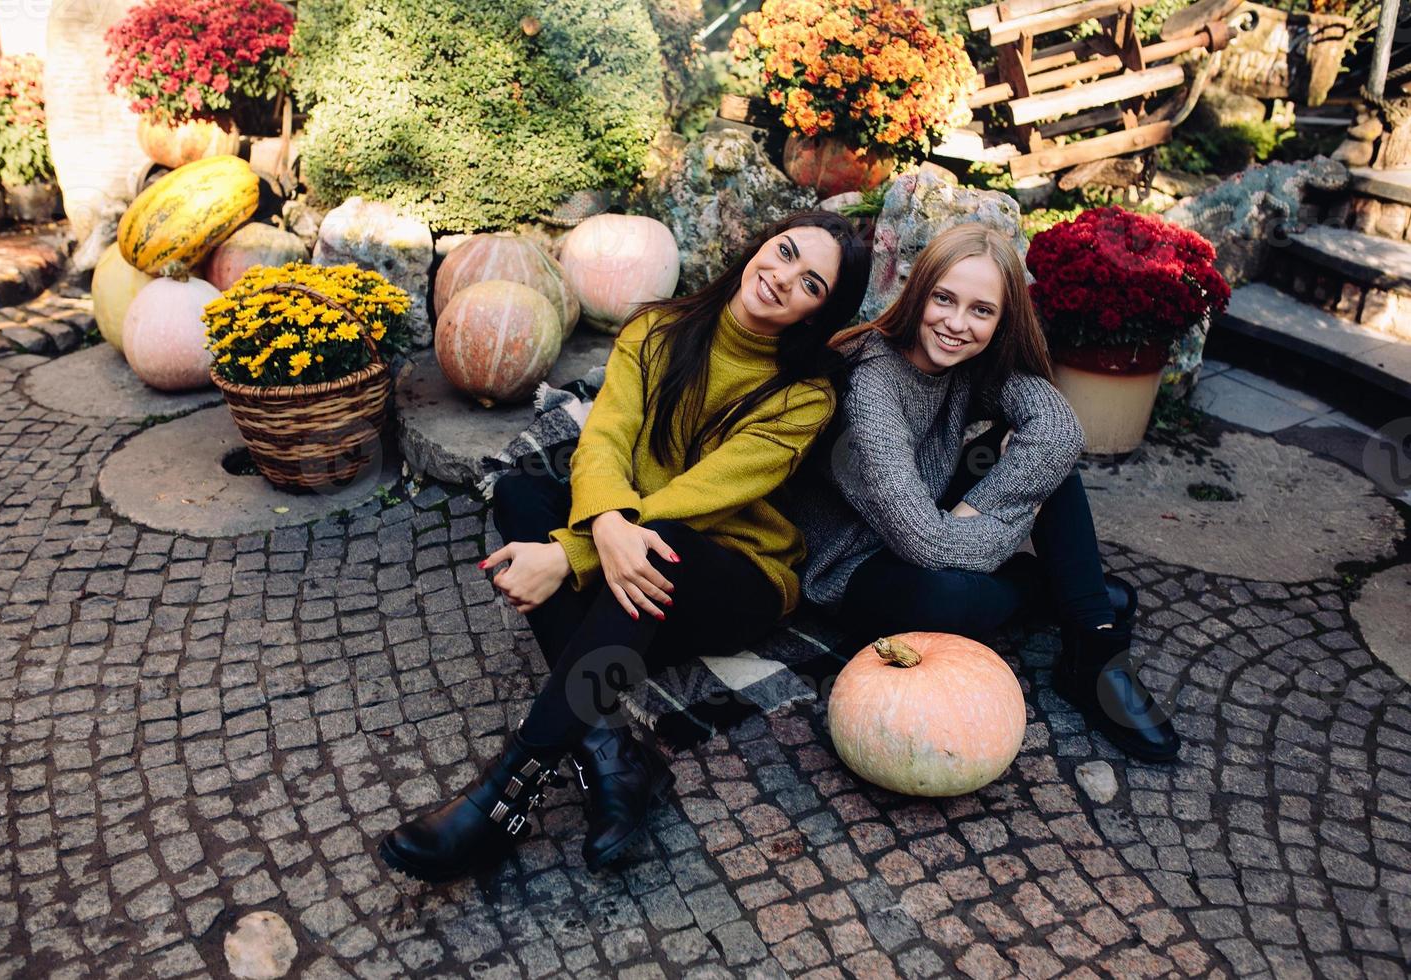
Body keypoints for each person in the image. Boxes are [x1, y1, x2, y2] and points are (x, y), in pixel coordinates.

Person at [379, 211, 874, 883]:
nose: (783, 277)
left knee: (658, 540)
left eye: (811, 282)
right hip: (631, 546)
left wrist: (572, 554)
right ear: (759, 244)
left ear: (821, 311)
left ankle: (506, 793)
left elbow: (706, 495)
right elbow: (605, 439)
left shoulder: (804, 396)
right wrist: (603, 527)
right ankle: (612, 751)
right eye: (783, 252)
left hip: (734, 574)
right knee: (523, 495)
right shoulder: (656, 327)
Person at [792, 222, 1180, 763]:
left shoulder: (973, 365)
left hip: (928, 515)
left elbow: (1059, 430)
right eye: (944, 299)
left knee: (1050, 463)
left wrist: (971, 513)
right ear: (919, 292)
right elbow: (926, 544)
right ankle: (1062, 595)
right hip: (852, 565)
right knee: (947, 598)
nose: (956, 324)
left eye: (981, 310)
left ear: (1001, 321)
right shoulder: (872, 382)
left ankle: (1094, 655)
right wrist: (1000, 520)